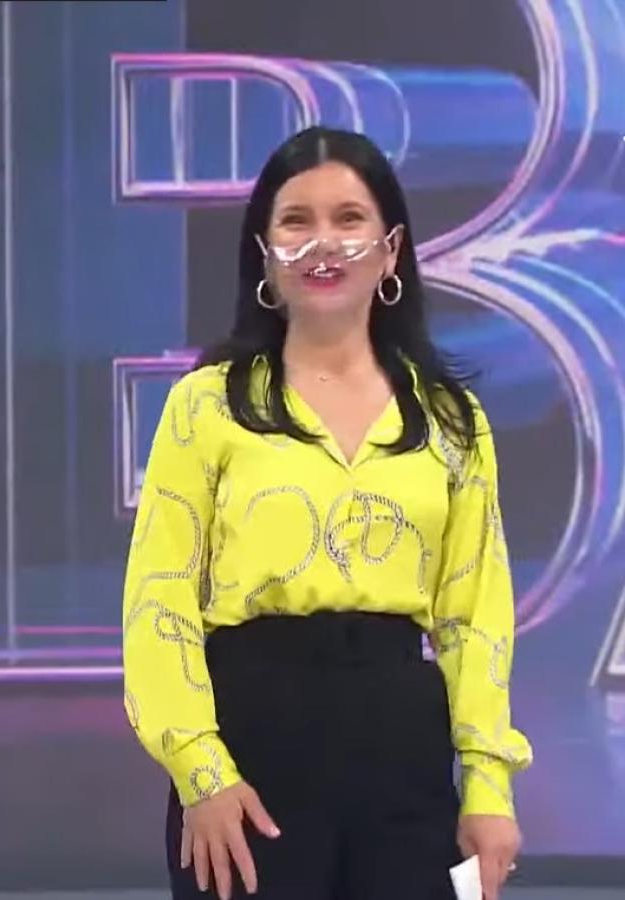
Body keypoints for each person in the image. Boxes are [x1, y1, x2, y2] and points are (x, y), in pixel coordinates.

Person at [122, 127, 532, 900]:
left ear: (391, 249)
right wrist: (202, 773)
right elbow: (159, 603)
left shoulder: (449, 419)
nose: (323, 244)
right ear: (264, 251)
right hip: (249, 756)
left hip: (403, 754)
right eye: (295, 221)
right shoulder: (207, 406)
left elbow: (476, 619)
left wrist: (488, 787)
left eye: (349, 219)